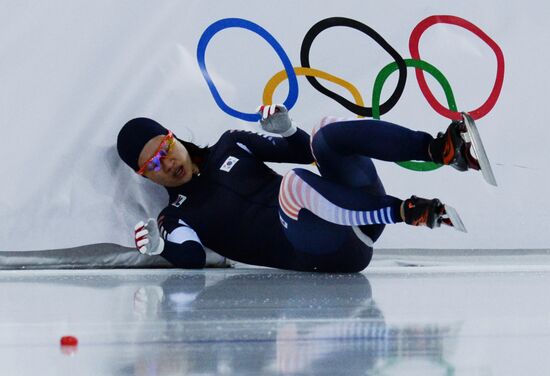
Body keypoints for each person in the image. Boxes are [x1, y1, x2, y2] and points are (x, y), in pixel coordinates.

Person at [116, 105, 479, 272]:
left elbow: (305, 152)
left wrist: (287, 129)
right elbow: (192, 256)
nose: (167, 163)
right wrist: (161, 247)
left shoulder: (230, 143)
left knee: (324, 132)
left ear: (173, 136)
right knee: (291, 187)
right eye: (153, 165)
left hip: (349, 211)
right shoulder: (174, 214)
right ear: (146, 177)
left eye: (164, 149)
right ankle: (409, 212)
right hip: (328, 252)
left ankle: (442, 150)